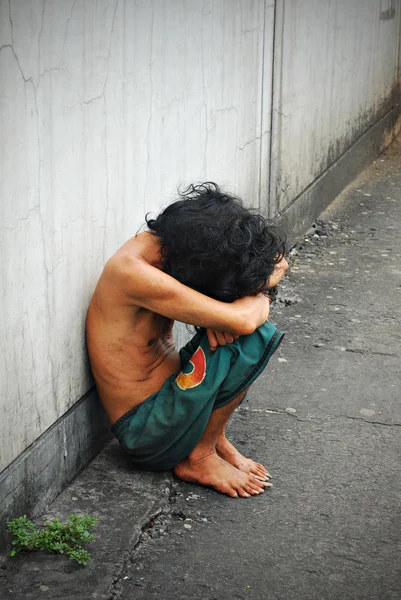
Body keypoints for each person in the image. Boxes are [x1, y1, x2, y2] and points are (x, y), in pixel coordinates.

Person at [86, 183, 289, 498]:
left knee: (234, 330)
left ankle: (213, 440)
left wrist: (229, 308)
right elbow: (246, 319)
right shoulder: (132, 273)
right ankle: (200, 456)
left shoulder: (170, 249)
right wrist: (253, 299)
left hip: (170, 406)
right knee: (253, 335)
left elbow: (279, 262)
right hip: (148, 431)